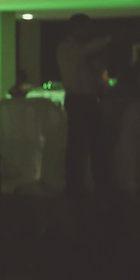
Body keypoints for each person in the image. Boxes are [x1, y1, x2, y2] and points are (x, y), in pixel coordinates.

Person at [56, 13, 113, 196]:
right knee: (77, 144)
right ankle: (76, 185)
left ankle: (97, 184)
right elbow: (87, 50)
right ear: (77, 28)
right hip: (78, 99)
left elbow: (99, 74)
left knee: (95, 143)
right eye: (87, 28)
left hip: (87, 99)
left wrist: (101, 82)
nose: (89, 32)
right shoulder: (67, 48)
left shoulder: (82, 51)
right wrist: (111, 38)